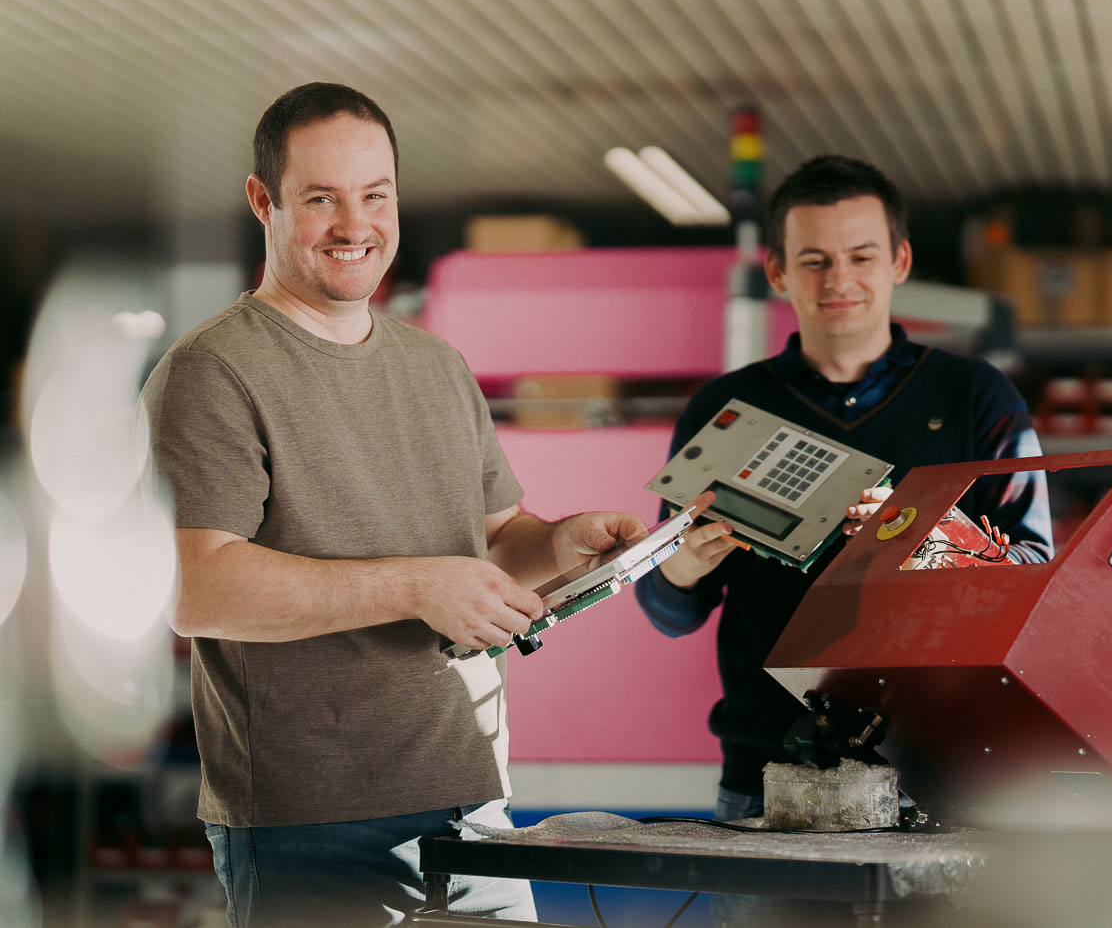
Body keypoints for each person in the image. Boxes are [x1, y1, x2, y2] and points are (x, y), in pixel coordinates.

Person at [141, 82, 647, 927]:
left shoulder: (438, 367)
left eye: (375, 195)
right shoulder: (212, 372)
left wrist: (561, 542)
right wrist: (414, 585)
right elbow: (196, 587)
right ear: (262, 201)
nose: (354, 224)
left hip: (474, 806)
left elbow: (487, 545)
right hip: (312, 826)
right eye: (321, 199)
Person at [636, 155, 1053, 826]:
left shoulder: (977, 398)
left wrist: (927, 542)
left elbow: (1038, 580)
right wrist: (678, 569)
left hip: (946, 782)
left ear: (900, 261)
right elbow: (668, 612)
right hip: (768, 780)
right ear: (776, 271)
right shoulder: (725, 409)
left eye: (861, 256)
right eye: (814, 260)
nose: (840, 280)